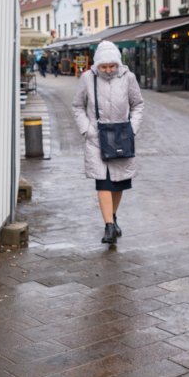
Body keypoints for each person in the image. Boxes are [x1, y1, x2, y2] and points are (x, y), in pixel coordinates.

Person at [72, 41, 145, 245]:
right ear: (97, 65)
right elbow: (78, 106)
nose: (108, 70)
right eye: (104, 67)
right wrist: (87, 130)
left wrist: (132, 128)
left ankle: (112, 217)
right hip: (97, 138)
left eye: (112, 66)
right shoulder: (88, 78)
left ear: (118, 63)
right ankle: (109, 226)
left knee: (119, 182)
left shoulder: (128, 78)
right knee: (103, 181)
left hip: (122, 136)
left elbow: (138, 104)